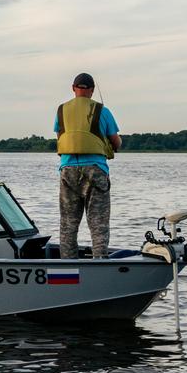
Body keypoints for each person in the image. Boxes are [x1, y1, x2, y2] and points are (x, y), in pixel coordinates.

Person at [55, 73, 122, 258]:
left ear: (73, 88)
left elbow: (60, 137)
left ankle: (68, 265)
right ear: (92, 91)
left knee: (68, 223)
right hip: (96, 170)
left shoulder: (61, 110)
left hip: (67, 171)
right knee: (98, 223)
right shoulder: (103, 111)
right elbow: (116, 143)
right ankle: (100, 263)